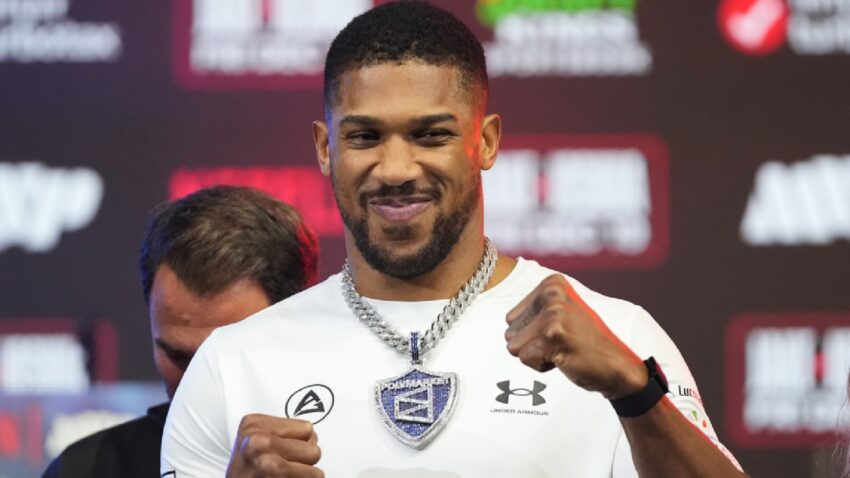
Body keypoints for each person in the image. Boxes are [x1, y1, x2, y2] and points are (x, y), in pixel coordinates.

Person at [161, 3, 748, 477]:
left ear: (485, 142)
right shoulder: (233, 363)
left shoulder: (621, 337)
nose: (395, 168)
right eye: (365, 137)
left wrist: (635, 392)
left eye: (430, 135)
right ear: (324, 147)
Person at [43, 186, 318, 477]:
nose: (199, 383)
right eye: (178, 357)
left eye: (227, 358)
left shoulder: (351, 448)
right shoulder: (85, 470)